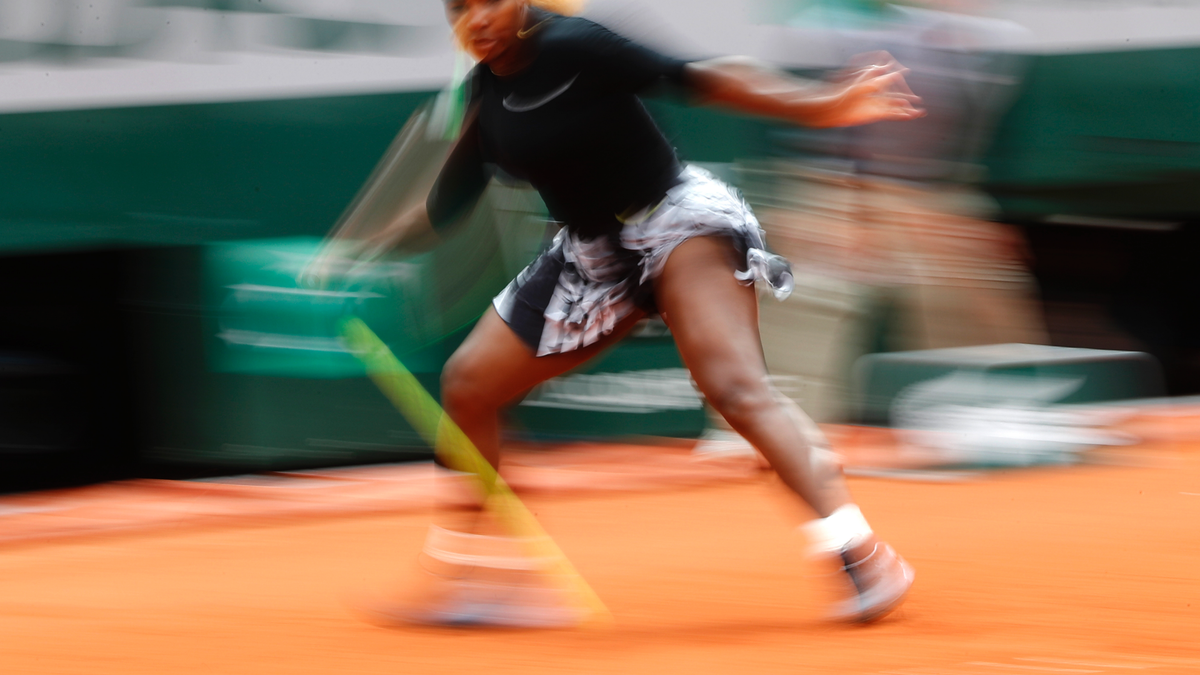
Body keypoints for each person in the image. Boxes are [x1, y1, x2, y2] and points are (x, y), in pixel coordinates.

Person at [315, 0, 923, 627]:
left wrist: (818, 105)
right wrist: (356, 251)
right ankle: (483, 579)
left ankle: (859, 553)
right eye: (460, 8)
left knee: (733, 387)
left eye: (490, 0)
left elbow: (705, 75)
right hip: (589, 257)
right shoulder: (482, 97)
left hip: (676, 224)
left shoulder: (575, 44)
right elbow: (445, 203)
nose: (477, 18)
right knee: (468, 383)